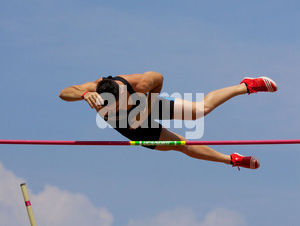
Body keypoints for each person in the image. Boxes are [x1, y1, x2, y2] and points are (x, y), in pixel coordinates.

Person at [59, 72, 277, 170]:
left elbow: (159, 78)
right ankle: (232, 159)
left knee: (201, 110)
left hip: (146, 104)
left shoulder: (139, 84)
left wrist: (147, 107)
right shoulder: (95, 90)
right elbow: (63, 92)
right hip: (130, 127)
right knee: (181, 145)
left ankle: (246, 86)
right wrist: (83, 95)